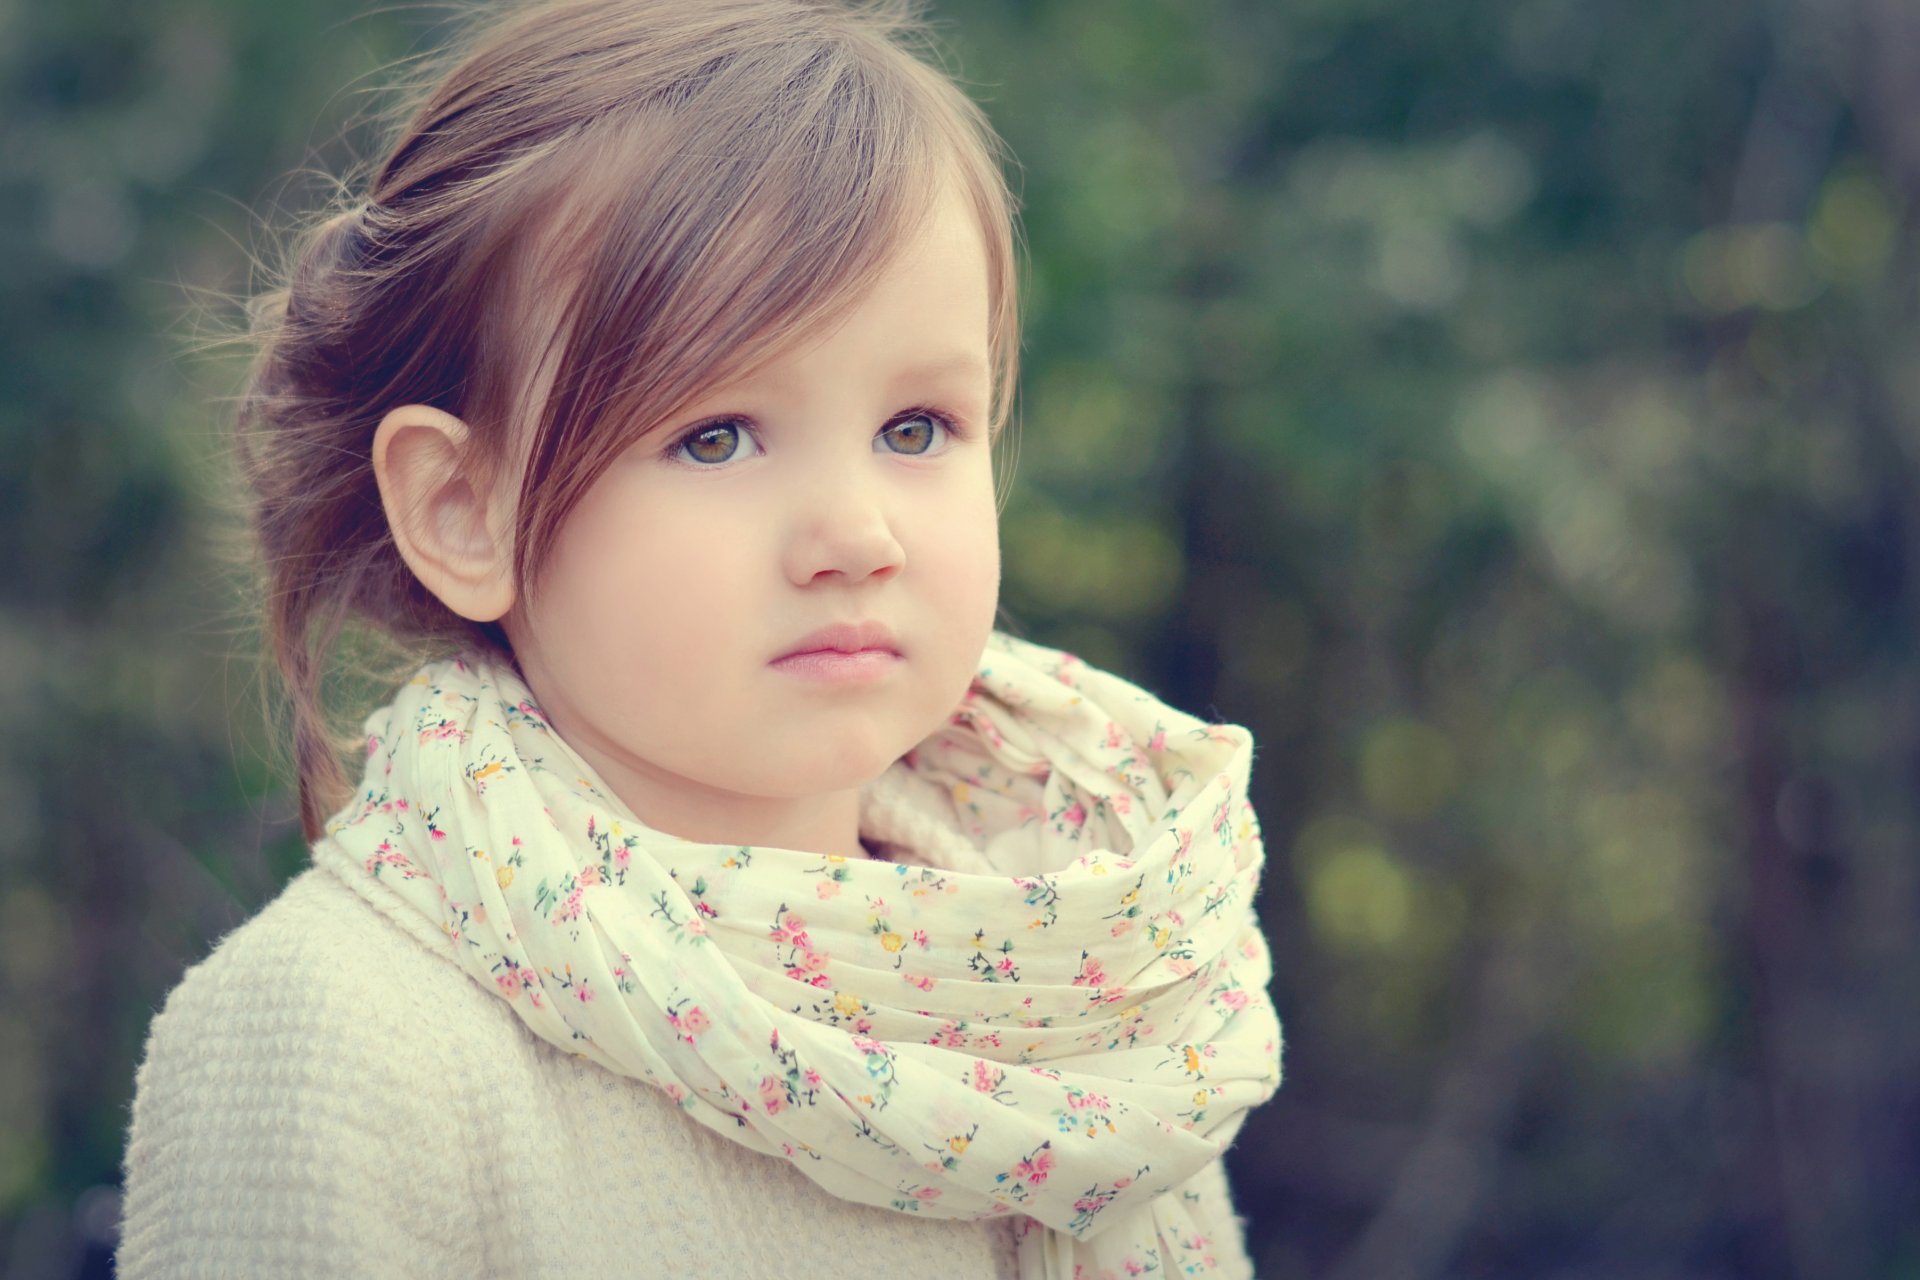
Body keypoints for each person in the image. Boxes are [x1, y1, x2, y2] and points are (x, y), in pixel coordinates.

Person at [117, 1, 1283, 1275]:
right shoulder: (339, 1040)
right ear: (465, 508)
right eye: (715, 434)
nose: (857, 533)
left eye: (916, 427)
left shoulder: (1093, 1005)